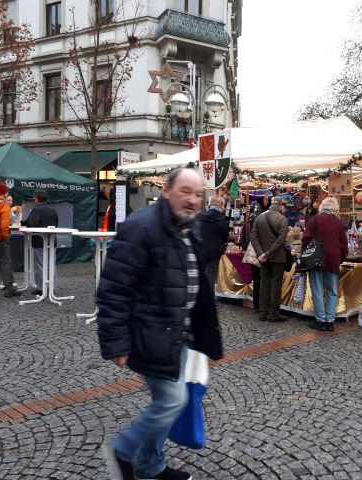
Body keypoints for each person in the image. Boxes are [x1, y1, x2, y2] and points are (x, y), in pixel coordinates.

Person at [97, 167, 222, 480]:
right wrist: (115, 342)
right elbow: (113, 289)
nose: (193, 200)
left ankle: (150, 467)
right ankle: (122, 450)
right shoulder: (141, 227)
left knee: (164, 403)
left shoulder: (188, 226)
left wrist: (203, 334)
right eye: (185, 191)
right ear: (166, 191)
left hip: (177, 334)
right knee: (172, 400)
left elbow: (192, 280)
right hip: (149, 333)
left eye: (198, 194)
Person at [302, 197, 348, 331]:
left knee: (317, 290)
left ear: (322, 207)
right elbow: (344, 246)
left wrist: (306, 254)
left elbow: (306, 238)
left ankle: (321, 321)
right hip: (333, 259)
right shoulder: (338, 223)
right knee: (332, 291)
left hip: (316, 258)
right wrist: (340, 259)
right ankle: (330, 321)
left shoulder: (315, 220)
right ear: (335, 209)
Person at [250, 196, 289, 322]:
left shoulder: (259, 217)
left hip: (263, 258)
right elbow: (280, 241)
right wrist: (267, 254)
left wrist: (261, 253)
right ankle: (273, 313)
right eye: (284, 205)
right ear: (279, 205)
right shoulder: (282, 219)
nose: (284, 208)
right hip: (277, 257)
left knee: (264, 283)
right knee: (275, 285)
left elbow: (253, 237)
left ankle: (263, 312)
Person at [25, 190, 59, 296]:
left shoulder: (36, 210)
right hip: (52, 240)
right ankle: (52, 287)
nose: (34, 199)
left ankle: (40, 288)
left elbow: (31, 225)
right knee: (51, 264)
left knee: (39, 264)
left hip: (40, 240)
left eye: (34, 198)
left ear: (37, 198)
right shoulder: (53, 210)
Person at [196, 194, 229, 292]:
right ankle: (210, 300)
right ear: (220, 204)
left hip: (201, 248)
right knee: (211, 273)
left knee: (202, 272)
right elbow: (225, 235)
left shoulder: (200, 215)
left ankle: (201, 297)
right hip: (215, 250)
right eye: (223, 205)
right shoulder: (221, 218)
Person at [239, 204, 262, 312]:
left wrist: (243, 247)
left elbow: (242, 238)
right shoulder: (261, 225)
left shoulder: (248, 224)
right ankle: (260, 305)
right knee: (261, 281)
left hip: (250, 254)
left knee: (256, 281)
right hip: (259, 256)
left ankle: (256, 305)